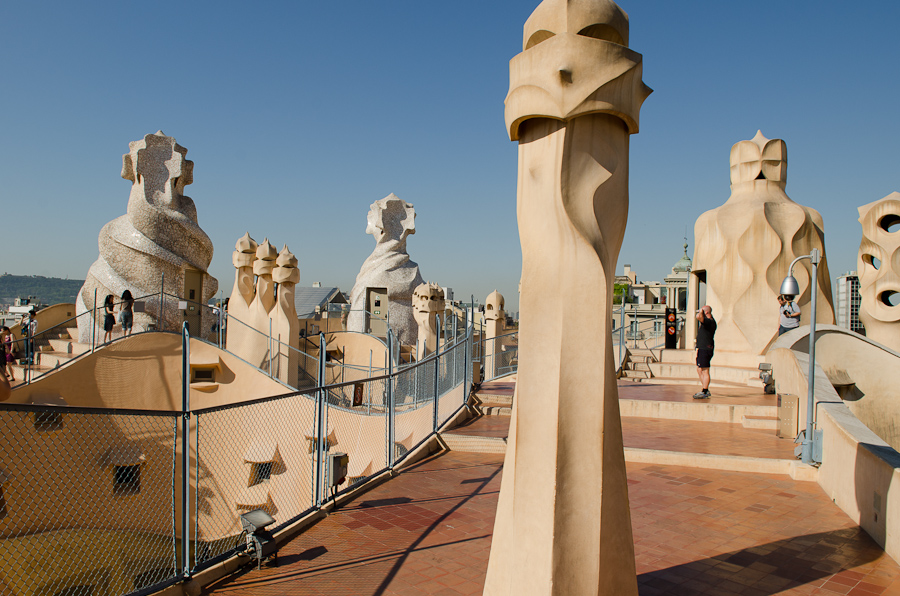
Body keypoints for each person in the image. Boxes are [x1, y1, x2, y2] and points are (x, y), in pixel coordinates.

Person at [694, 305, 716, 399]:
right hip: (702, 348)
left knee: (705, 370)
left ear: (706, 312)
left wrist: (700, 312)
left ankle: (705, 390)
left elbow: (698, 317)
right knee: (699, 369)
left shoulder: (709, 321)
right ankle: (705, 388)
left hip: (706, 349)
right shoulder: (707, 322)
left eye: (702, 310)